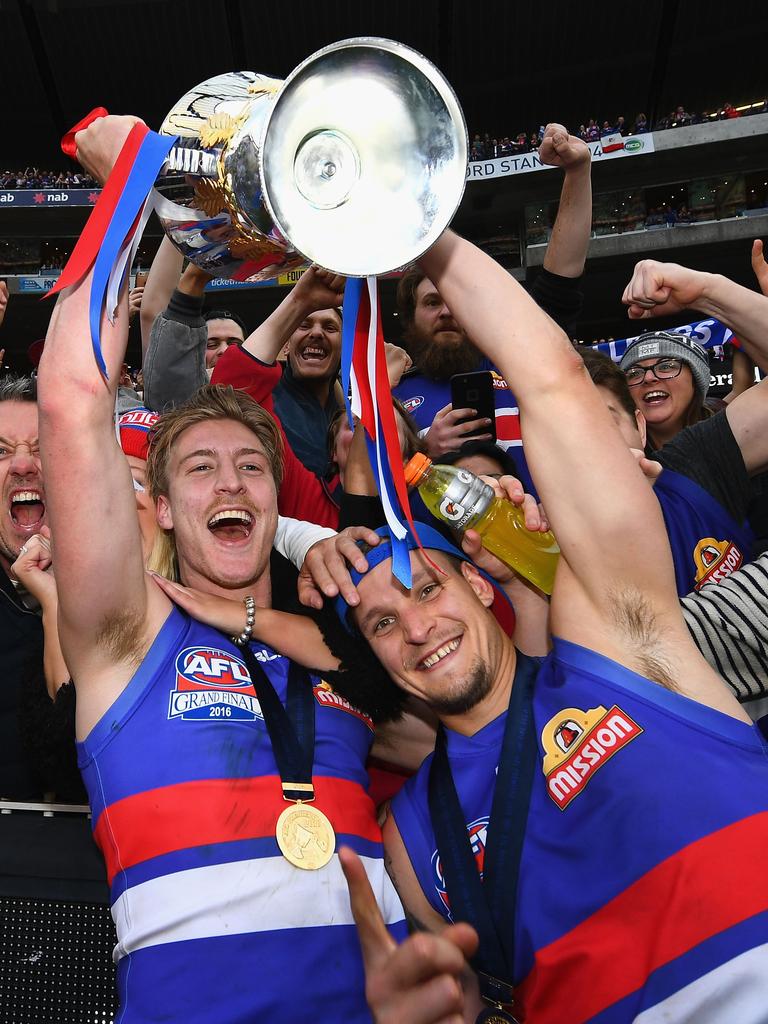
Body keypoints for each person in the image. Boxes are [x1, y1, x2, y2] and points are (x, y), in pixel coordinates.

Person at [334, 229, 768, 1023]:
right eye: (382, 624)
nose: (417, 627)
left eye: (426, 588)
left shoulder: (626, 649)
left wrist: (411, 228)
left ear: (476, 576)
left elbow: (555, 383)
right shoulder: (410, 833)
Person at [38, 113, 405, 1024]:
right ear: (160, 509)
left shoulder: (343, 650)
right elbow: (72, 395)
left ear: (281, 503)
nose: (233, 480)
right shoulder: (125, 631)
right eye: (199, 468)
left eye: (253, 468)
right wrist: (132, 181)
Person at [394, 121, 592, 494]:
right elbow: (369, 493)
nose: (447, 312)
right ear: (410, 318)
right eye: (432, 303)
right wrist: (424, 452)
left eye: (454, 302)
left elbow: (560, 283)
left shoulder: (520, 363)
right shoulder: (394, 396)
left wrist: (578, 172)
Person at [618, 328, 711, 449]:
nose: (648, 378)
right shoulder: (614, 453)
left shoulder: (731, 431)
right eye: (634, 373)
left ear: (696, 379)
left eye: (666, 366)